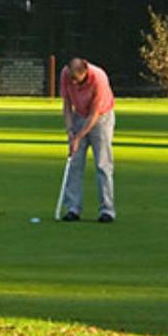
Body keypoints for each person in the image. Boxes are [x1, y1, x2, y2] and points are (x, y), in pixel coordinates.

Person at [58, 56, 115, 223]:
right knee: (74, 162)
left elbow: (94, 114)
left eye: (77, 80)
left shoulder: (99, 78)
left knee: (103, 165)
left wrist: (79, 136)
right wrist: (70, 132)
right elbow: (67, 104)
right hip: (79, 115)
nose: (73, 83)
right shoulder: (65, 74)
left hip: (101, 119)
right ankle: (73, 208)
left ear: (85, 73)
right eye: (71, 79)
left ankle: (107, 210)